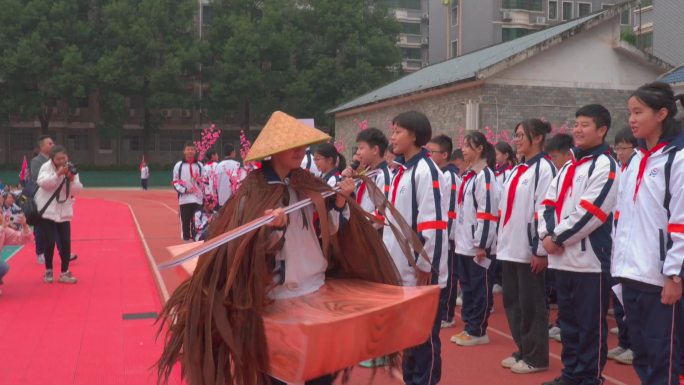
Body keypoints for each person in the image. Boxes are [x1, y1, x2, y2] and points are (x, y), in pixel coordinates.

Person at [156, 111, 406, 385]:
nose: (301, 152)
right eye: (293, 146)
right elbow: (244, 250)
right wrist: (271, 230)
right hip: (276, 299)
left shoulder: (307, 183)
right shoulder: (253, 192)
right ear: (275, 151)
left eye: (302, 146)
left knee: (321, 371)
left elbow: (327, 233)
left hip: (316, 290)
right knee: (276, 373)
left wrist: (340, 203)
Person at [538, 104, 618, 385]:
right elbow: (547, 203)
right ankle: (570, 373)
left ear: (602, 130)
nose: (578, 130)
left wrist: (556, 237)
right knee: (568, 325)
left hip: (590, 263)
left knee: (590, 328)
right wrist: (545, 235)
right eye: (576, 124)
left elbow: (592, 212)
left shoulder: (606, 164)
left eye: (585, 125)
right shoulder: (569, 166)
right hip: (562, 260)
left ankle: (589, 378)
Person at [613, 82, 684, 385]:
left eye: (638, 112)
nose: (631, 119)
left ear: (662, 113)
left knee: (663, 357)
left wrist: (674, 275)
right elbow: (622, 217)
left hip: (659, 280)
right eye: (630, 112)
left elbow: (680, 222)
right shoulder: (636, 161)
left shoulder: (676, 160)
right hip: (631, 274)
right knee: (641, 353)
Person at [383, 111, 448, 385]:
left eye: (398, 131)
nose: (393, 137)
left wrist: (425, 266)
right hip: (401, 269)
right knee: (409, 337)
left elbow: (433, 224)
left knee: (423, 339)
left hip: (419, 272)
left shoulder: (426, 171)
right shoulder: (401, 172)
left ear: (414, 136)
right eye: (393, 131)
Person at [498, 119, 556, 374]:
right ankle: (522, 348)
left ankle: (536, 356)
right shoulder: (516, 170)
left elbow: (544, 211)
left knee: (531, 304)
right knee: (513, 302)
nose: (517, 139)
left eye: (522, 135)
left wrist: (539, 250)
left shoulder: (544, 169)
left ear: (538, 138)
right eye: (516, 134)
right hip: (509, 246)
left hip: (528, 249)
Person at [451, 131, 500, 347]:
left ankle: (478, 330)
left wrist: (482, 244)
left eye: (468, 146)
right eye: (463, 145)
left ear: (480, 149)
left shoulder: (485, 176)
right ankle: (469, 327)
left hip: (477, 246)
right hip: (463, 244)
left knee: (479, 289)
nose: (463, 149)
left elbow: (487, 211)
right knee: (468, 289)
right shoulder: (468, 175)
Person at [606, 126, 638, 365]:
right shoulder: (622, 169)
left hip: (632, 247)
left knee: (631, 303)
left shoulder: (638, 167)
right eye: (617, 148)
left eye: (623, 148)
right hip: (617, 243)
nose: (619, 153)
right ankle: (625, 343)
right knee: (619, 300)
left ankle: (632, 345)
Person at [427, 135, 462, 330]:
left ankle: (447, 314)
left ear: (445, 154)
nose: (429, 155)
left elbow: (449, 208)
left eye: (432, 152)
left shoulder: (449, 176)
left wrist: (447, 235)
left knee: (447, 276)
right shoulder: (439, 174)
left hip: (447, 236)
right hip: (441, 234)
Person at [35, 145, 83, 284]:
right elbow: (43, 183)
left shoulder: (71, 168)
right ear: (52, 159)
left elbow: (77, 190)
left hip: (63, 211)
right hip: (47, 211)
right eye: (58, 159)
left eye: (64, 158)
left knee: (66, 243)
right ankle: (48, 270)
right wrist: (58, 174)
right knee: (49, 242)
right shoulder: (46, 167)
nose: (62, 161)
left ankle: (64, 273)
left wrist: (72, 179)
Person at [352, 127, 392, 220]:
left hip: (372, 231)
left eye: (361, 148)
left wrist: (361, 223)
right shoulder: (367, 175)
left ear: (375, 150)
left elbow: (383, 212)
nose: (358, 152)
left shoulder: (384, 176)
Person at [172, 142, 204, 242]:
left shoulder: (199, 165)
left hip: (197, 199)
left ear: (195, 151)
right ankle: (186, 243)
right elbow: (175, 182)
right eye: (188, 149)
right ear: (184, 151)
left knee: (197, 223)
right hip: (184, 200)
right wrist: (185, 190)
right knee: (185, 223)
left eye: (192, 149)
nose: (190, 151)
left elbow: (205, 181)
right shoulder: (179, 165)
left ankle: (196, 242)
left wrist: (199, 180)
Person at [0, 212, 33, 295]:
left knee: (3, 267)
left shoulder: (4, 230)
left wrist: (24, 225)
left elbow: (22, 238)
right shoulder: (2, 229)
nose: (1, 215)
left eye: (1, 212)